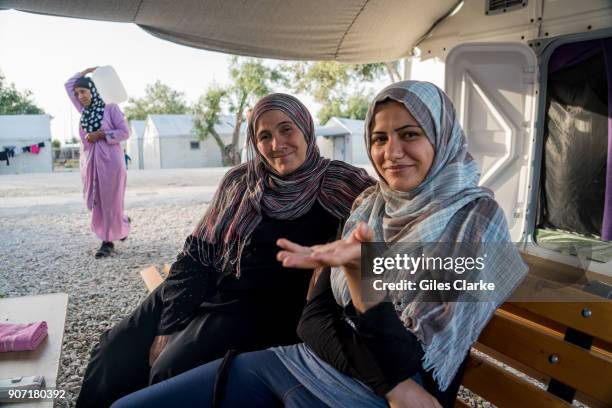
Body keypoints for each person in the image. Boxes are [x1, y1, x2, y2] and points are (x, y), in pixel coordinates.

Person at [111, 81, 528, 408]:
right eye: (380, 139)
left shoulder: (474, 221)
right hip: (315, 367)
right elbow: (312, 320)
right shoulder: (370, 206)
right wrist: (392, 382)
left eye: (409, 134)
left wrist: (359, 280)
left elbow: (414, 358)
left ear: (442, 137)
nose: (391, 152)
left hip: (369, 395)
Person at [76, 93, 375, 408]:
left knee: (169, 368)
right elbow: (197, 253)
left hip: (261, 307)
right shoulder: (240, 180)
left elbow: (384, 229)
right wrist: (170, 322)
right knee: (113, 350)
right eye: (264, 136)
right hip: (209, 281)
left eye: (287, 130)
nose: (277, 144)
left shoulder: (343, 183)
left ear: (306, 129)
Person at [64, 67, 131, 258]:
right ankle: (122, 223)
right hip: (90, 163)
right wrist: (85, 71)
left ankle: (107, 242)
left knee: (109, 202)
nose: (79, 96)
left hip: (111, 163)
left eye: (83, 91)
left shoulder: (110, 108)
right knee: (92, 201)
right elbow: (68, 85)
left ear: (93, 90)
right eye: (77, 93)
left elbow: (125, 133)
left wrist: (101, 134)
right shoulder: (83, 110)